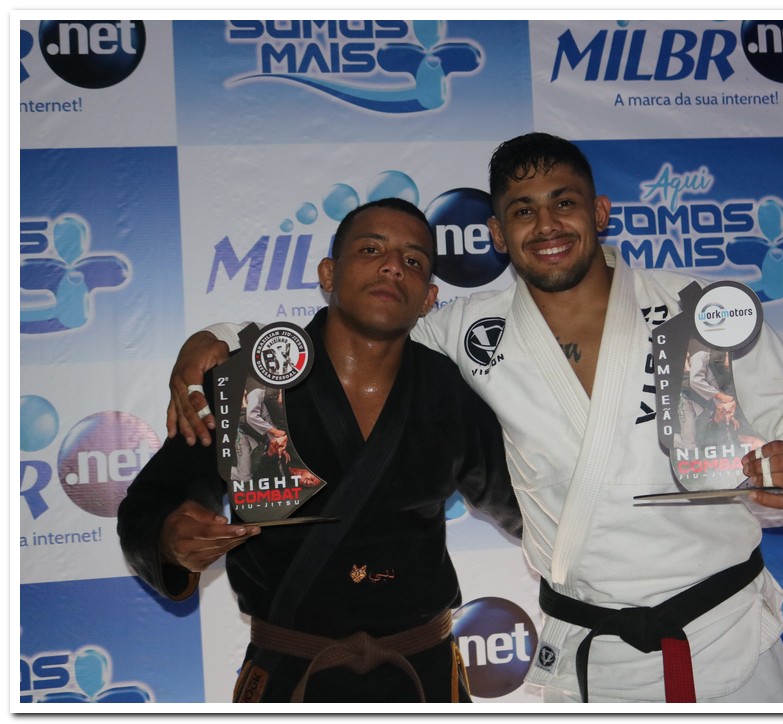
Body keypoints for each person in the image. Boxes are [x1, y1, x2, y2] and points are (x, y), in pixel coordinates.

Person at [165, 134, 783, 703]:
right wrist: (227, 337)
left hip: (723, 636)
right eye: (524, 211)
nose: (547, 225)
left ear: (600, 212)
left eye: (564, 202)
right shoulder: (466, 331)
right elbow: (353, 335)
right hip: (592, 656)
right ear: (498, 235)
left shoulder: (697, 307)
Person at [118, 198, 522, 704]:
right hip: (292, 676)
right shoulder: (250, 381)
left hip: (423, 677)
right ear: (328, 273)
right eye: (371, 249)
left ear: (428, 298)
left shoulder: (449, 390)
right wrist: (168, 536)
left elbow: (528, 507)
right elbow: (149, 502)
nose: (393, 266)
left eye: (413, 260)